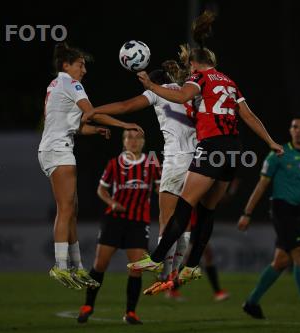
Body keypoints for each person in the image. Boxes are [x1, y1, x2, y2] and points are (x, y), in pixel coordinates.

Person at [127, 11, 283, 285]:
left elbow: (182, 94)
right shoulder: (229, 82)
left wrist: (151, 85)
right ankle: (192, 266)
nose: (188, 71)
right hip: (234, 148)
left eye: (190, 67)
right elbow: (248, 116)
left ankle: (156, 257)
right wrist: (270, 141)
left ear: (197, 65)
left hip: (212, 146)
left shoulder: (199, 80)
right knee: (207, 210)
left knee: (185, 206)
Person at [38, 42, 144, 290]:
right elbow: (92, 112)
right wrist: (124, 125)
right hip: (59, 150)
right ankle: (60, 267)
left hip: (53, 148)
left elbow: (77, 124)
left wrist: (94, 130)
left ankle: (77, 267)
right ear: (66, 65)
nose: (84, 70)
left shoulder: (56, 85)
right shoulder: (71, 83)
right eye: (80, 64)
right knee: (65, 209)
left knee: (71, 210)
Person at [89, 60, 196, 294]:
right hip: (199, 159)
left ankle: (163, 270)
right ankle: (177, 270)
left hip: (177, 158)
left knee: (167, 217)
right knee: (184, 217)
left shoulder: (158, 93)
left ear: (154, 84)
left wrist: (96, 110)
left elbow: (127, 106)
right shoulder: (188, 92)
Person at [237, 116, 300, 320]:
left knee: (280, 261)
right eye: (295, 127)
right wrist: (247, 213)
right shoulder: (278, 153)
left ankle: (252, 302)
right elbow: (261, 185)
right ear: (290, 131)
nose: (298, 130)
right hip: (281, 209)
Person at [77, 129, 161, 325]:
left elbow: (159, 187)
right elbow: (101, 189)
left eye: (138, 137)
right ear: (123, 142)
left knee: (136, 268)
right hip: (114, 219)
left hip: (139, 221)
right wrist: (112, 202)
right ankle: (88, 305)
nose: (133, 141)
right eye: (129, 137)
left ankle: (130, 313)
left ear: (143, 141)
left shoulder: (152, 162)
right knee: (100, 264)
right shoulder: (114, 163)